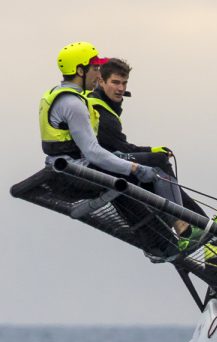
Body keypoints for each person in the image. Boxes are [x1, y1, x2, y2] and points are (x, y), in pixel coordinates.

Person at [40, 42, 188, 234]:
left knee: (133, 173)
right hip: (74, 172)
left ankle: (165, 238)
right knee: (144, 168)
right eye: (95, 69)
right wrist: (134, 167)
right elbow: (92, 152)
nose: (98, 74)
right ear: (79, 70)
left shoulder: (59, 95)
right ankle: (182, 228)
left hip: (70, 167)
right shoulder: (72, 103)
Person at [88, 58, 203, 215]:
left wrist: (151, 150)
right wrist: (152, 150)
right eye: (115, 82)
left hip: (109, 160)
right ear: (101, 82)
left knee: (155, 170)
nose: (121, 88)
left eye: (124, 83)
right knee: (159, 160)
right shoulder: (101, 110)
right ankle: (192, 219)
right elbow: (121, 147)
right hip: (103, 164)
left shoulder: (105, 105)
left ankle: (189, 220)